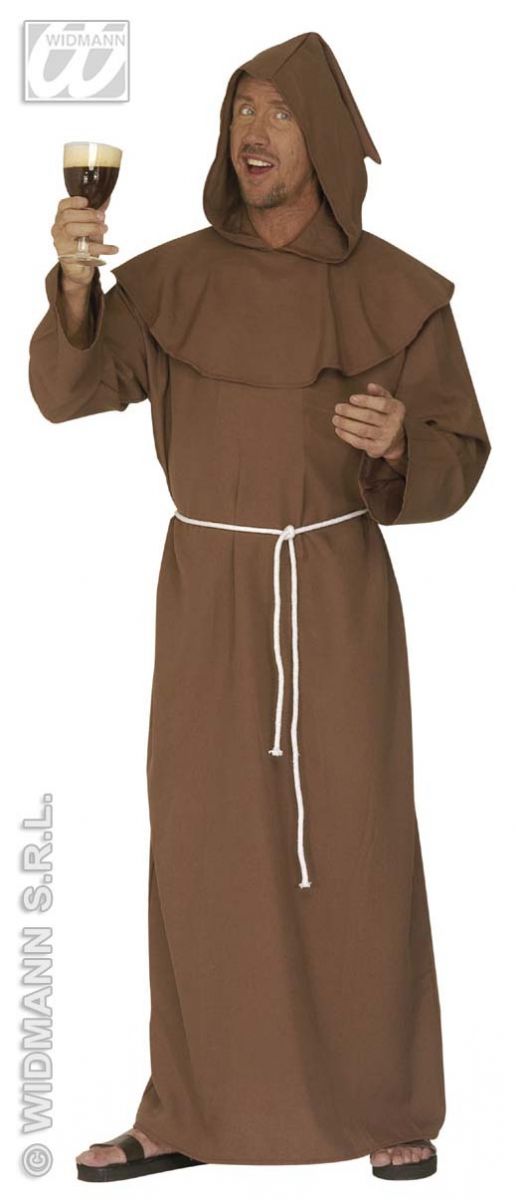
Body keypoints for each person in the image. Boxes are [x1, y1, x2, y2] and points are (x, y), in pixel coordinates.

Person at [28, 30, 491, 1184]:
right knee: (204, 849)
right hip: (209, 595)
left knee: (356, 844)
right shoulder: (170, 282)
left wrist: (399, 448)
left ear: (322, 135)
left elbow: (459, 451)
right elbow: (68, 389)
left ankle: (383, 1101)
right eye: (242, 107)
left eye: (281, 111)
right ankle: (188, 1108)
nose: (255, 130)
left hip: (334, 595)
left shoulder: (392, 291)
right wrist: (77, 284)